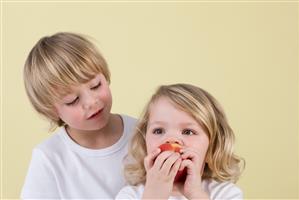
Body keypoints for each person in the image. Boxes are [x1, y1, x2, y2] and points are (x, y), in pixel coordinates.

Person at [21, 32, 137, 199]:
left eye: (96, 85)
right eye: (72, 100)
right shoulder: (49, 158)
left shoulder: (145, 133)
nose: (91, 102)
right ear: (52, 110)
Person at [116, 83, 245, 200]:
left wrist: (195, 194)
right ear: (144, 143)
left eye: (188, 132)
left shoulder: (225, 193)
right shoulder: (130, 195)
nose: (171, 139)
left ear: (212, 147)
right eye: (159, 131)